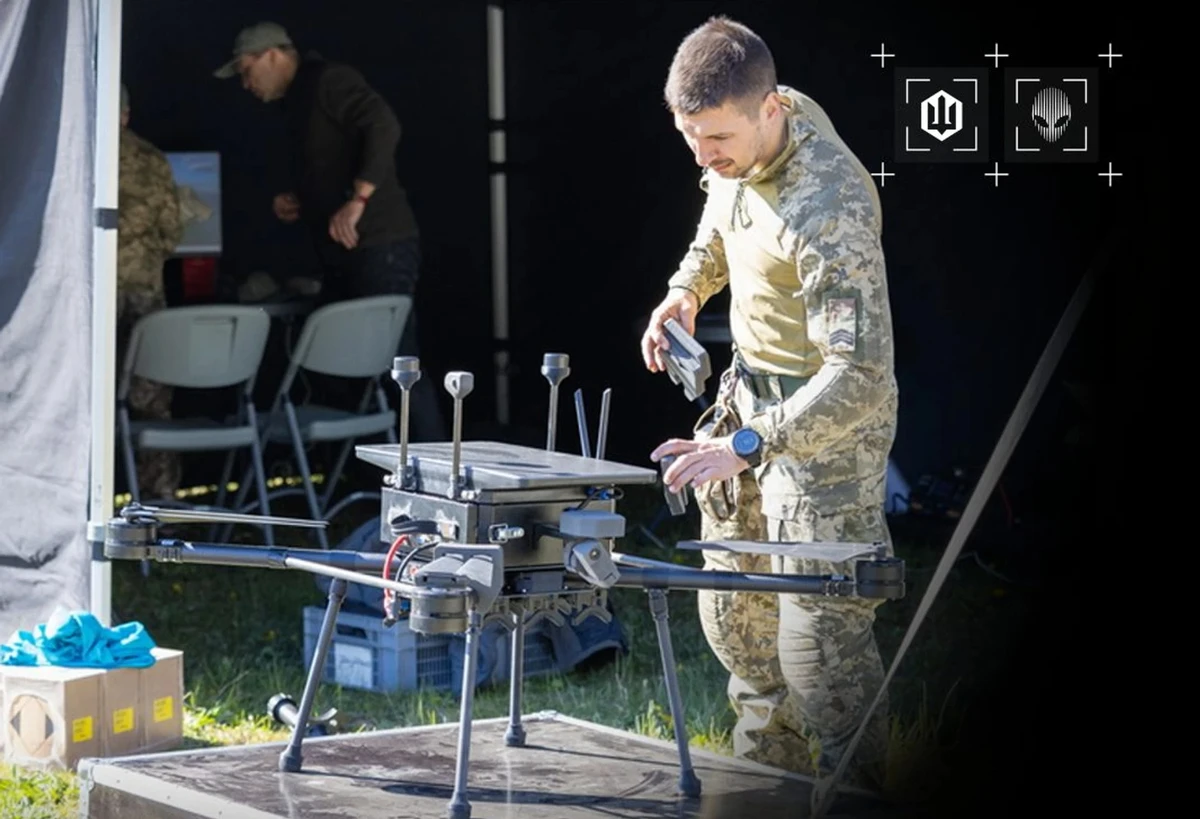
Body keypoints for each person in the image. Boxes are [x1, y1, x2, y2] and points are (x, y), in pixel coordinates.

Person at [642, 17, 898, 792]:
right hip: (748, 402)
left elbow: (861, 375)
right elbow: (719, 223)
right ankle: (762, 797)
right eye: (689, 137)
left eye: (715, 137)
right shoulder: (740, 145)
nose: (703, 155)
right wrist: (685, 291)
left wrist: (749, 445)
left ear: (770, 110)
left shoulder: (831, 204)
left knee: (820, 659)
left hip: (826, 438)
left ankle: (865, 795)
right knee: (742, 634)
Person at [213, 22, 445, 440]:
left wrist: (358, 200)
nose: (246, 84)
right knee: (336, 366)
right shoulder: (297, 103)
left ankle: (435, 476)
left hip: (380, 246)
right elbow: (331, 162)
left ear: (273, 55)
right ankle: (357, 479)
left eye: (247, 71)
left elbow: (383, 124)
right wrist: (305, 199)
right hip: (344, 256)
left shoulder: (327, 80)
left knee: (401, 366)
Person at [116, 83, 185, 500]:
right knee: (153, 401)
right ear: (125, 113)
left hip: (87, 296)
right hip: (145, 294)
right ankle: (158, 501)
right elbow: (172, 233)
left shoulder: (74, 156)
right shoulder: (152, 159)